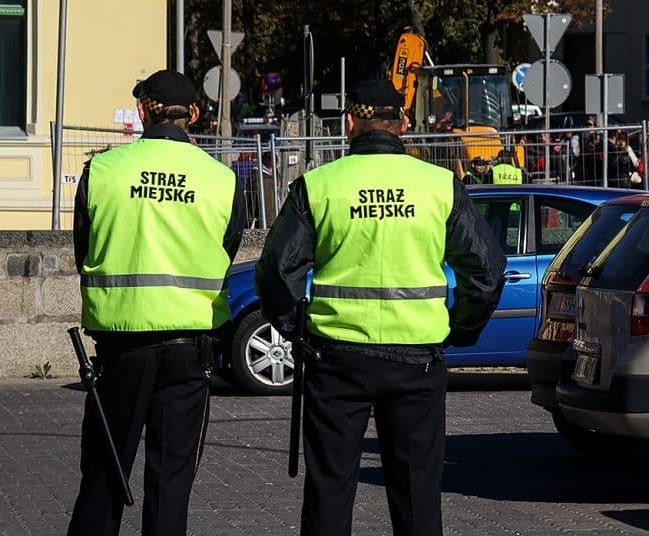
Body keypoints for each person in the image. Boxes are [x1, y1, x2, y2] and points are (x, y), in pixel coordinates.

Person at [255, 79, 506, 536]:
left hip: (338, 360)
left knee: (329, 491)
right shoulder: (438, 185)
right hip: (418, 361)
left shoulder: (319, 185)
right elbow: (486, 271)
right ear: (404, 124)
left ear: (350, 122)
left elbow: (276, 270)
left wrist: (298, 327)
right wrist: (459, 328)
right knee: (417, 495)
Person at [68, 69, 246, 536]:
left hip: (121, 349)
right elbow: (226, 251)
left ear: (143, 111)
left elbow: (84, 252)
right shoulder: (222, 179)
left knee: (104, 478)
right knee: (171, 485)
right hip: (190, 350)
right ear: (196, 114)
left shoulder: (102, 171)